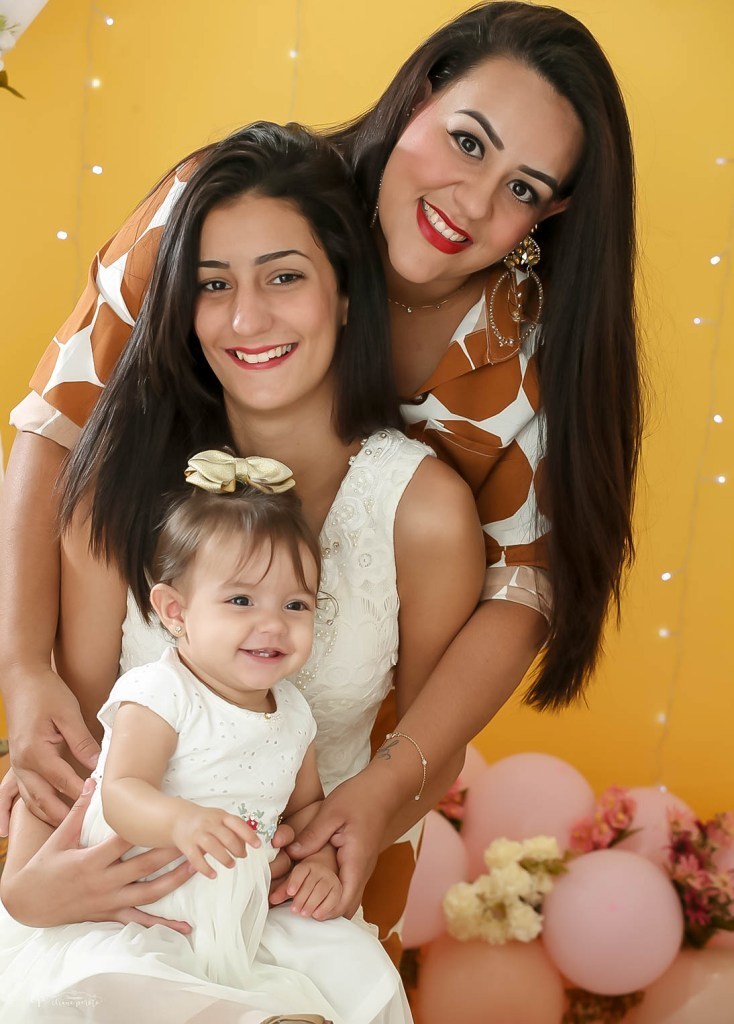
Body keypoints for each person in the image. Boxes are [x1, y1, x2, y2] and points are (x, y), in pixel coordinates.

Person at [0, 1, 641, 954]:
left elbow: (523, 584)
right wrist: (23, 668)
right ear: (416, 99)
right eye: (466, 140)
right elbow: (60, 422)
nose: (470, 201)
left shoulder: (529, 359)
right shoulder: (242, 205)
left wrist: (384, 789)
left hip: (341, 788)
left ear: (550, 213)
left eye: (520, 186)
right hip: (136, 782)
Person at [0, 120, 483, 968]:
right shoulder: (118, 485)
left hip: (293, 913)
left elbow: (428, 751)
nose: (246, 317)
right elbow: (74, 747)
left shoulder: (425, 513)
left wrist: (327, 861)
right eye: (213, 283)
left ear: (345, 293)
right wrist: (29, 894)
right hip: (113, 919)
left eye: (284, 277)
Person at [0, 454, 412, 1024]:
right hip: (144, 905)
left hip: (239, 914)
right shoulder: (160, 692)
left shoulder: (294, 714)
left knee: (356, 966)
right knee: (122, 981)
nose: (273, 623)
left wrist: (316, 860)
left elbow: (306, 809)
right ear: (175, 611)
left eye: (295, 604)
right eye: (241, 600)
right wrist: (181, 822)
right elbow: (121, 791)